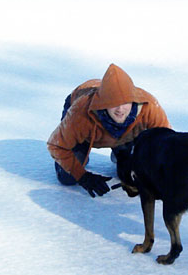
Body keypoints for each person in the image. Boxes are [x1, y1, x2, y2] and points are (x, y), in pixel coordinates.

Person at [47, 63, 170, 198]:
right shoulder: (80, 111)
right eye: (113, 104)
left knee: (130, 174)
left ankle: (121, 152)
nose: (120, 109)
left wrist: (163, 175)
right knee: (68, 177)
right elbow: (56, 145)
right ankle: (83, 155)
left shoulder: (149, 106)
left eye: (125, 103)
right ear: (104, 103)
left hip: (124, 135)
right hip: (82, 113)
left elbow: (167, 143)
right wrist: (83, 176)